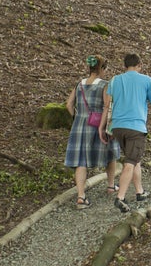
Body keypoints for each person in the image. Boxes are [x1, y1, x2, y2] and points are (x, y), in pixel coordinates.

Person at [99, 53, 151, 213]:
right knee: (130, 162)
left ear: (125, 66)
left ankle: (139, 191)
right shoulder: (147, 80)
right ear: (139, 65)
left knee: (134, 159)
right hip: (136, 127)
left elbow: (107, 106)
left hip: (118, 127)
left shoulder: (114, 80)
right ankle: (120, 197)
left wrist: (102, 127)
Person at [64, 55, 121, 209]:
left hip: (80, 125)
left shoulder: (80, 84)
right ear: (102, 68)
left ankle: (81, 197)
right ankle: (110, 186)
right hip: (98, 124)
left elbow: (69, 104)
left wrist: (77, 117)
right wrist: (106, 125)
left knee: (81, 160)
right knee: (110, 151)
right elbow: (107, 106)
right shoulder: (104, 85)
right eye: (105, 69)